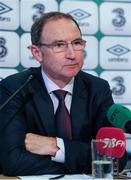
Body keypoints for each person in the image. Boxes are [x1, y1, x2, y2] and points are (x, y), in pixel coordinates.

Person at [0, 12, 127, 176]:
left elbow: (115, 158)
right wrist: (85, 161)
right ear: (37, 53)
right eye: (59, 45)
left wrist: (56, 147)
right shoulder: (15, 88)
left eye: (77, 43)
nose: (72, 54)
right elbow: (12, 161)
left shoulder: (97, 88)